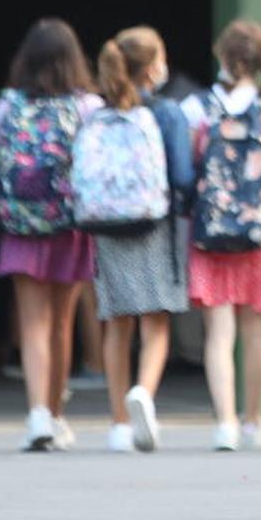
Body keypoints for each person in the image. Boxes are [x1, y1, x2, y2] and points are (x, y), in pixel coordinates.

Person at [0, 18, 103, 452]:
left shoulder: (5, 107)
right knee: (61, 323)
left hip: (20, 225)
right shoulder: (88, 106)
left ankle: (37, 414)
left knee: (33, 323)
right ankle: (55, 414)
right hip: (71, 225)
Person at [87, 26, 193, 453]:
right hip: (154, 224)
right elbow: (183, 177)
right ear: (153, 66)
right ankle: (143, 393)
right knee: (156, 321)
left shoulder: (97, 112)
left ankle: (117, 423)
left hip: (107, 225)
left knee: (116, 323)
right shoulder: (167, 112)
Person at [181, 19, 261, 452]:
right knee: (254, 328)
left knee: (218, 332)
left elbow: (188, 168)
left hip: (209, 232)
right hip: (255, 231)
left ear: (222, 55)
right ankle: (253, 419)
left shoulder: (195, 108)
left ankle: (224, 422)